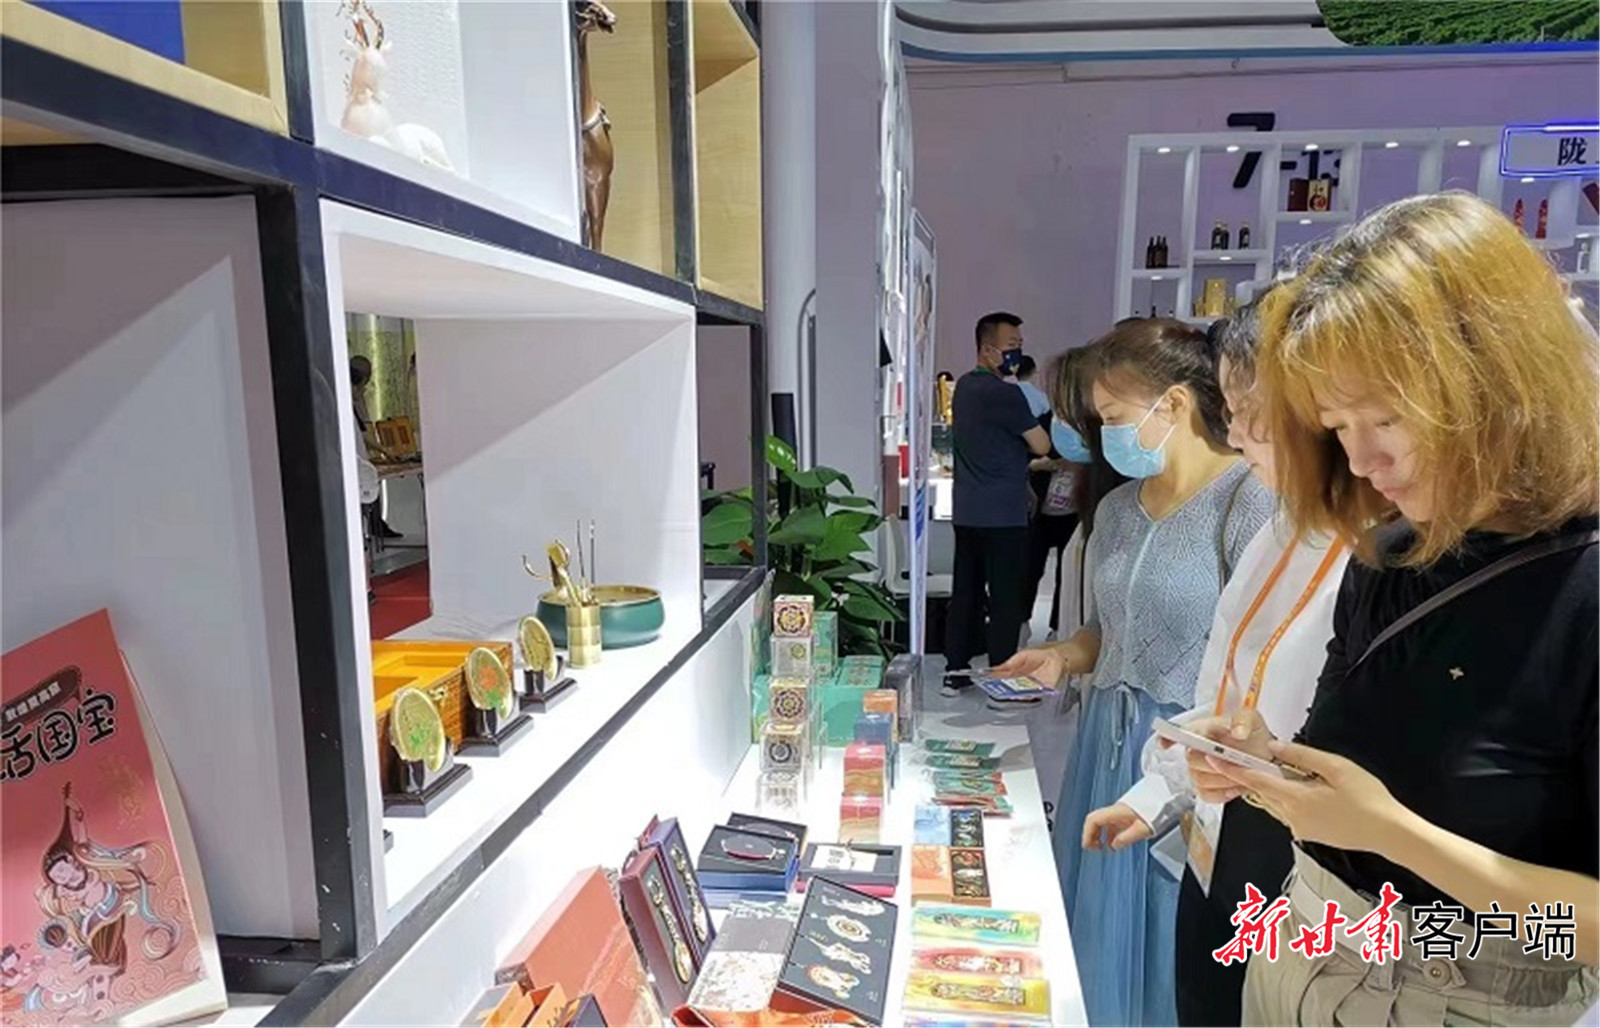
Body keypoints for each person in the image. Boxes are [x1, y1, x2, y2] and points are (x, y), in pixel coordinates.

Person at [1186, 192, 1598, 1026]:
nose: (1363, 459)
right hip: (1303, 949)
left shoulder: (1580, 594)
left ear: (1500, 380)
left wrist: (1391, 834)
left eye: (1387, 416)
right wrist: (1266, 766)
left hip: (1464, 993)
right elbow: (1354, 760)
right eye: (1338, 426)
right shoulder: (1391, 554)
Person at [1078, 293, 1351, 1026]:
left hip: (1307, 859)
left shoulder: (1290, 520)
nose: (1235, 434)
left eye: (1249, 412)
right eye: (1231, 410)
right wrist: (1157, 793)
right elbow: (1224, 691)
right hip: (1223, 820)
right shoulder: (1284, 527)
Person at [994, 318, 1274, 1026]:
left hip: (1193, 753)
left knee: (1168, 928)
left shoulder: (1249, 502)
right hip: (1104, 743)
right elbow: (1107, 628)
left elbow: (1261, 661)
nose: (1105, 435)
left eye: (1114, 418)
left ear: (1173, 404)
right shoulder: (1118, 508)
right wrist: (1064, 655)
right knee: (1097, 922)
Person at [942, 312, 1051, 695]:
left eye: (1019, 346)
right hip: (1004, 514)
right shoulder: (1006, 394)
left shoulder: (963, 388)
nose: (1016, 353)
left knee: (966, 593)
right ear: (988, 350)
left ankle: (955, 672)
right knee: (1005, 599)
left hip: (968, 510)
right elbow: (1042, 444)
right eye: (1011, 347)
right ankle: (1002, 677)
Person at [351, 355, 401, 540]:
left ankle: (375, 526)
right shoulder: (343, 406)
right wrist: (384, 451)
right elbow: (363, 435)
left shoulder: (351, 405)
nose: (364, 390)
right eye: (362, 385)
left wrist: (384, 451)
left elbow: (363, 433)